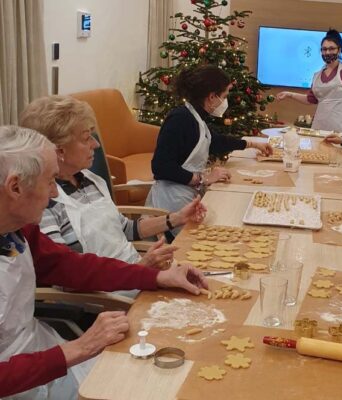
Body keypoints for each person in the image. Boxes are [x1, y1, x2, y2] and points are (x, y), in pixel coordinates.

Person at [0, 126, 209, 399]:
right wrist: (79, 348)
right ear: (15, 186)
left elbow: (73, 266)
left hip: (36, 348)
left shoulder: (17, 230)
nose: (54, 194)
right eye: (50, 181)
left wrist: (156, 277)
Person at [19, 95, 207, 269]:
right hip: (106, 295)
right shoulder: (43, 201)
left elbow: (125, 229)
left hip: (132, 274)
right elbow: (66, 274)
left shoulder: (90, 181)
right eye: (86, 138)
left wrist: (177, 217)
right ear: (59, 151)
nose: (96, 144)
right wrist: (141, 268)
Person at [147, 65, 272, 216]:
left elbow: (215, 142)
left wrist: (252, 144)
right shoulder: (180, 119)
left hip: (187, 195)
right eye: (224, 96)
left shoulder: (196, 117)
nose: (225, 102)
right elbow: (161, 166)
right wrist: (203, 178)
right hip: (171, 203)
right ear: (212, 97)